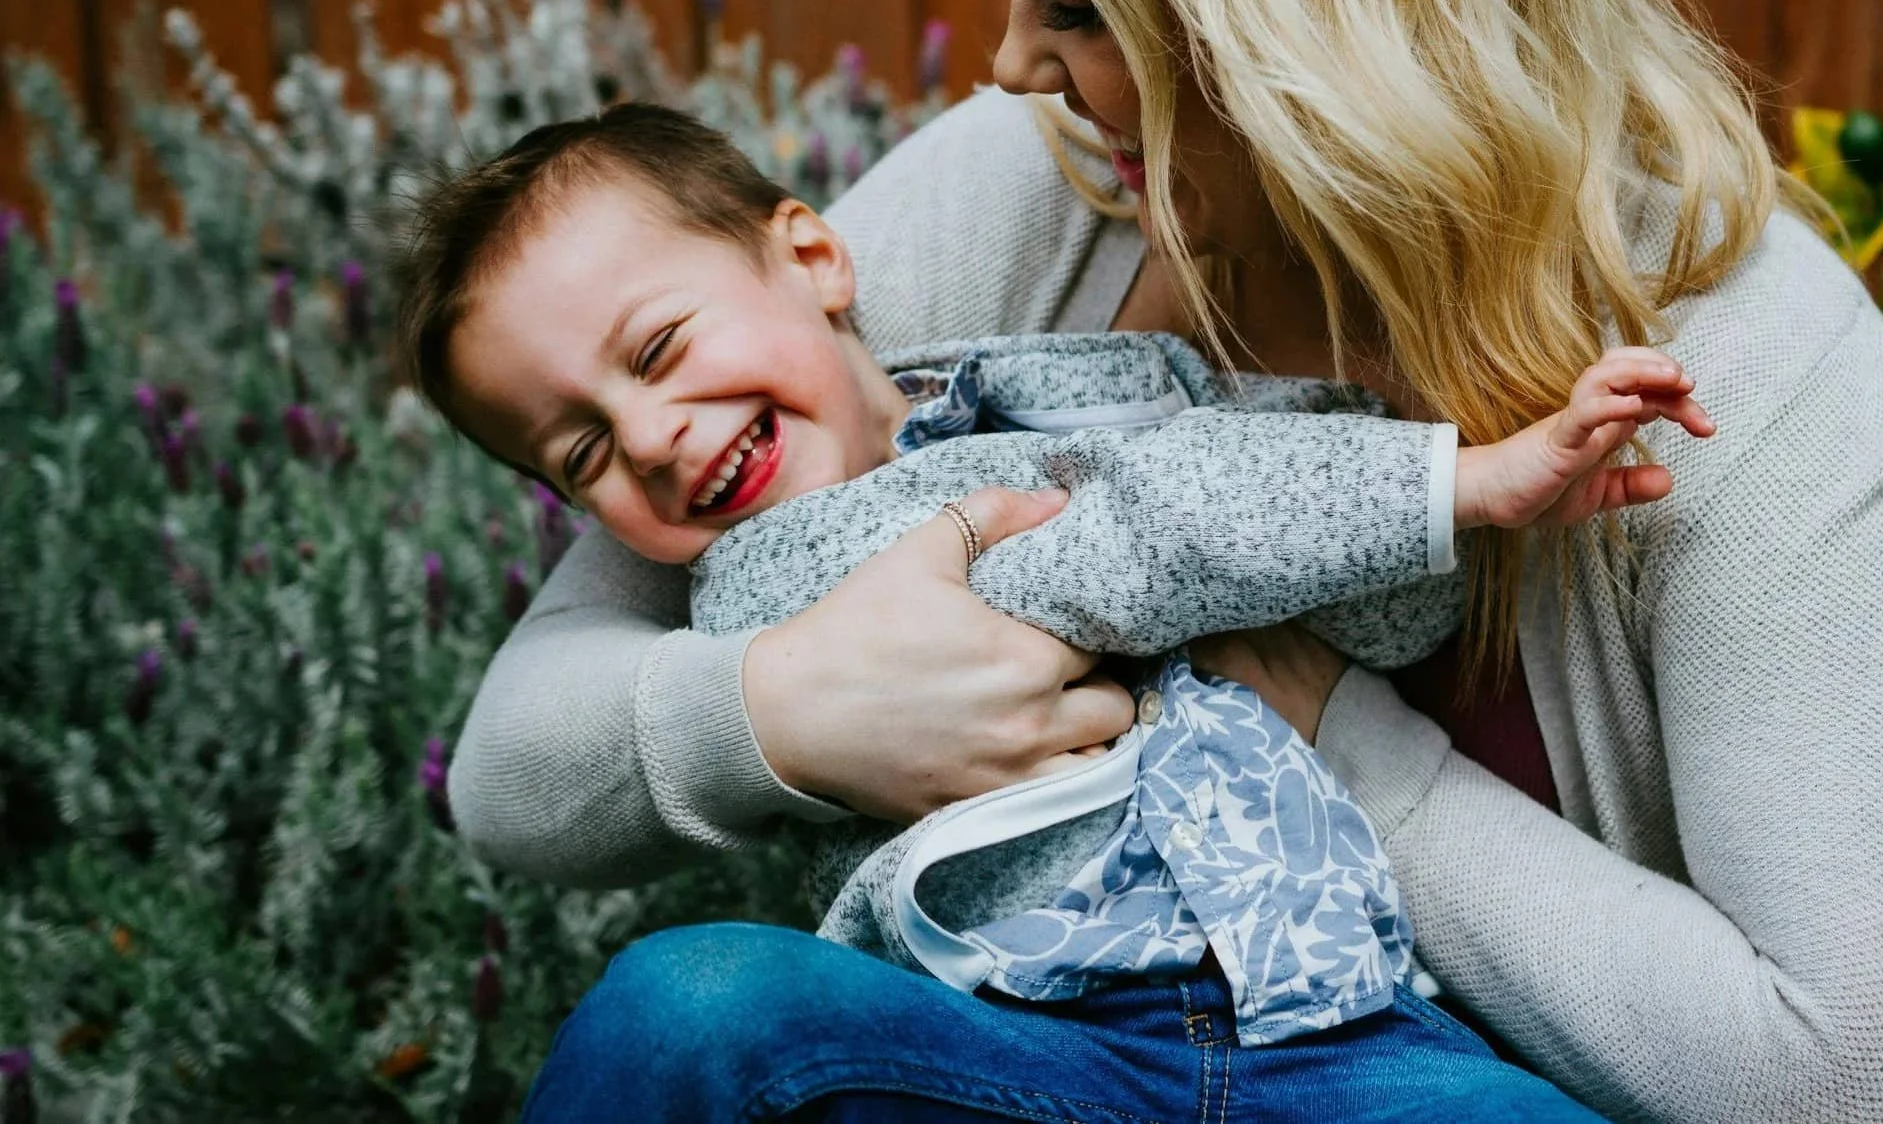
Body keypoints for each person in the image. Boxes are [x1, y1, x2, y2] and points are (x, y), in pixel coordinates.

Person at [453, 0, 1883, 1122]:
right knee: (690, 1018)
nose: (1011, 65)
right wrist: (782, 712)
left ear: (1313, 0)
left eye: (1077, 5)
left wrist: (1333, 731)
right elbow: (517, 757)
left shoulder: (1734, 357)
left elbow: (1881, 1085)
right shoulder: (1032, 198)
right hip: (1043, 1065)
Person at [396, 101, 1700, 1099]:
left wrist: (1405, 535)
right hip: (1051, 1040)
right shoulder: (771, 575)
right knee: (682, 1006)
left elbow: (1371, 615)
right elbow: (1127, 540)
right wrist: (1459, 484)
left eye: (661, 351)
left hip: (1325, 1006)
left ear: (812, 251)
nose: (654, 438)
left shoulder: (1056, 388)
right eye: (581, 456)